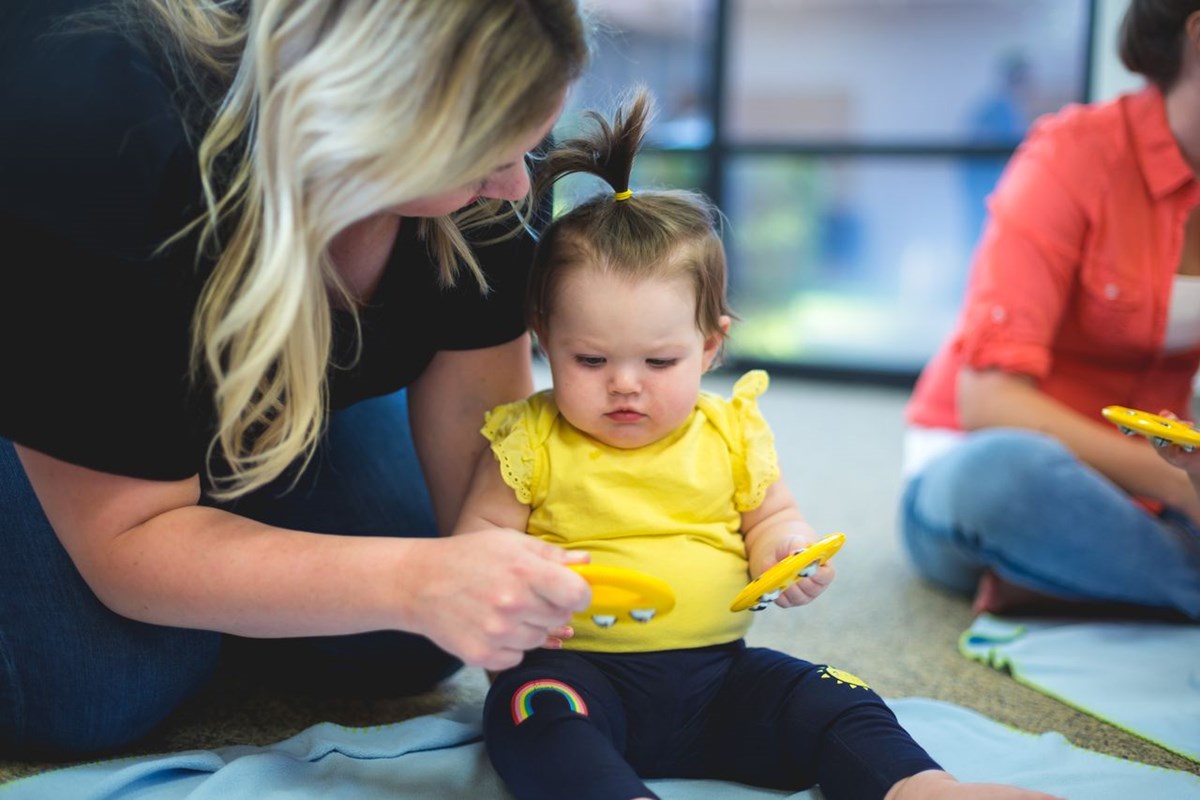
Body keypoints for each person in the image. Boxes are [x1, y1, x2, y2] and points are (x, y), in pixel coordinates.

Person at [0, 0, 595, 759]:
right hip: (37, 366)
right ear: (367, 121)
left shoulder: (495, 140)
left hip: (233, 389)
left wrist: (551, 626)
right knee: (102, 687)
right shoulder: (105, 116)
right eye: (484, 161)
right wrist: (414, 579)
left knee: (408, 644)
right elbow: (128, 536)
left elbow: (495, 466)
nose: (516, 188)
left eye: (527, 148)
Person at [453, 89, 1061, 800]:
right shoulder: (528, 439)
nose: (625, 386)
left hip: (717, 678)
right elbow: (477, 547)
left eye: (658, 363)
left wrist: (786, 551)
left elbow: (773, 519)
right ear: (543, 338)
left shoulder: (731, 432)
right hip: (576, 672)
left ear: (710, 346)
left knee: (836, 693)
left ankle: (923, 788)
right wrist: (517, 578)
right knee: (528, 717)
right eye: (590, 361)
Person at [900, 0, 1200, 621]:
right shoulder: (1073, 154)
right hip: (989, 464)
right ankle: (1143, 579)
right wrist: (1180, 485)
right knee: (1004, 477)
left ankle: (1078, 581)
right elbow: (989, 404)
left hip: (1146, 492)